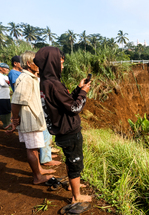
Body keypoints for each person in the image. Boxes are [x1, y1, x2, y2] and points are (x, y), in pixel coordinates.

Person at [34, 47, 92, 203]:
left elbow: (64, 103)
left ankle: (73, 187)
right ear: (52, 62)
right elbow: (74, 108)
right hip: (69, 131)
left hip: (60, 129)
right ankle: (76, 197)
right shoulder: (54, 84)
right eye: (60, 62)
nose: (63, 66)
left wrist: (78, 89)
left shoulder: (45, 82)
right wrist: (84, 92)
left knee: (70, 159)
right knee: (75, 161)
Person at [6, 51, 55, 184]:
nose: (41, 64)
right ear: (29, 63)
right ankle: (37, 177)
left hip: (33, 118)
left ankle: (39, 169)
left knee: (34, 148)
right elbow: (16, 101)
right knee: (32, 149)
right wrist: (14, 120)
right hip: (30, 118)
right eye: (37, 61)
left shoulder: (31, 77)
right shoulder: (26, 79)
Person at [0, 63, 11, 128]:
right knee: (4, 110)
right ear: (0, 68)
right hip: (1, 96)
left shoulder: (6, 76)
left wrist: (8, 83)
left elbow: (9, 84)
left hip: (6, 96)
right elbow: (3, 84)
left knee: (7, 109)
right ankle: (6, 124)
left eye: (8, 68)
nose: (7, 69)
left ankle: (8, 123)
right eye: (6, 68)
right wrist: (8, 83)